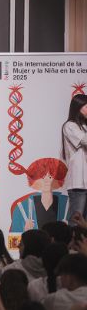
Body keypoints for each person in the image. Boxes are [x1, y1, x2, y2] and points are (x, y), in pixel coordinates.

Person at [9, 158, 69, 232]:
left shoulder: (67, 204)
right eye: (42, 177)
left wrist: (68, 230)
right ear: (35, 180)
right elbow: (13, 237)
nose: (47, 181)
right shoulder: (22, 207)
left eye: (50, 177)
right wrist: (25, 231)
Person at [61, 94, 87, 225]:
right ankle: (71, 246)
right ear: (78, 107)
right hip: (78, 183)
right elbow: (85, 140)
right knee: (76, 222)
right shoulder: (70, 126)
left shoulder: (84, 125)